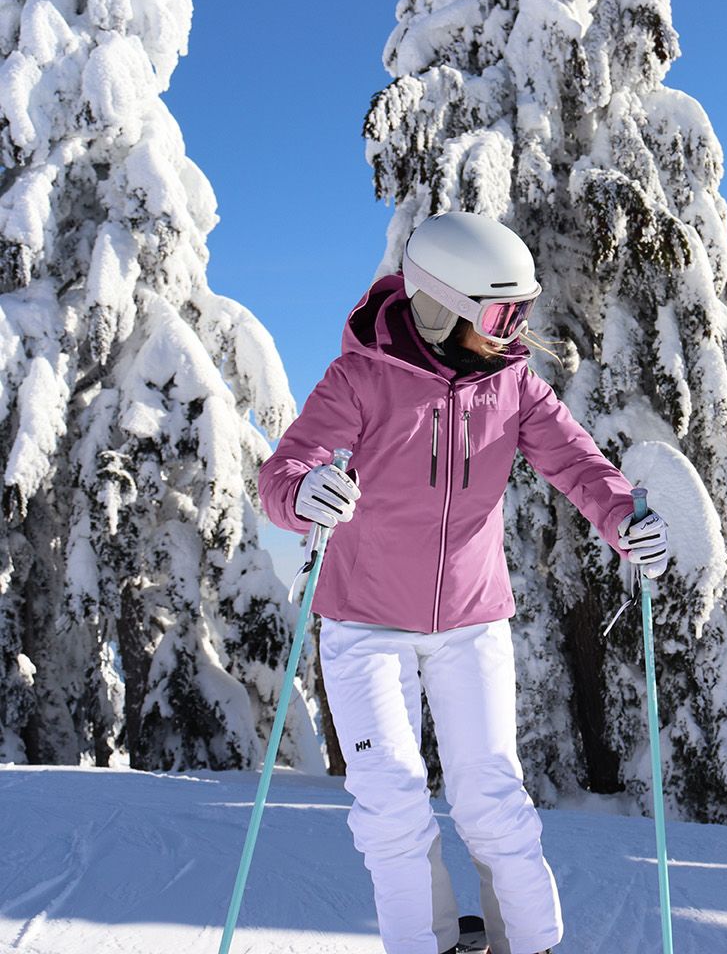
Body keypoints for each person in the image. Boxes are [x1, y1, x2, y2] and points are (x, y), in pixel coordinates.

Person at [258, 212, 670, 954]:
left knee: (492, 801)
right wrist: (303, 492)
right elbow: (285, 469)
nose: (515, 331)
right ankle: (431, 942)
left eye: (524, 313)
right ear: (441, 305)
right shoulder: (362, 377)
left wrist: (623, 522)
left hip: (472, 617)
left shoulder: (511, 384)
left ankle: (530, 945)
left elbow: (579, 466)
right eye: (502, 313)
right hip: (365, 619)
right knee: (389, 804)